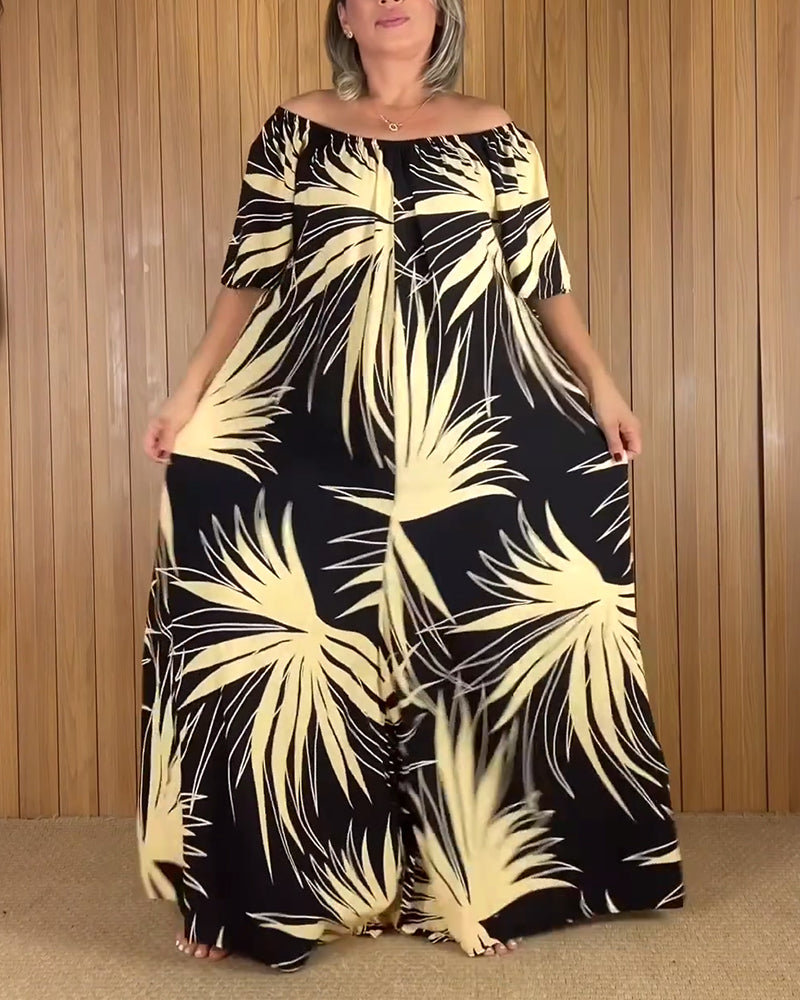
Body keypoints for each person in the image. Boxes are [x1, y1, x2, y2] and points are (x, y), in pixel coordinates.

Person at [139, 0, 684, 972]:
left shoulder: (495, 132)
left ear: (441, 12)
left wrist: (601, 386)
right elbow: (247, 276)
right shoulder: (294, 128)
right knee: (271, 634)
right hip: (315, 415)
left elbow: (541, 279)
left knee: (483, 627)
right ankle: (249, 891)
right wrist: (188, 397)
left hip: (469, 419)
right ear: (344, 15)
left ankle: (485, 878)